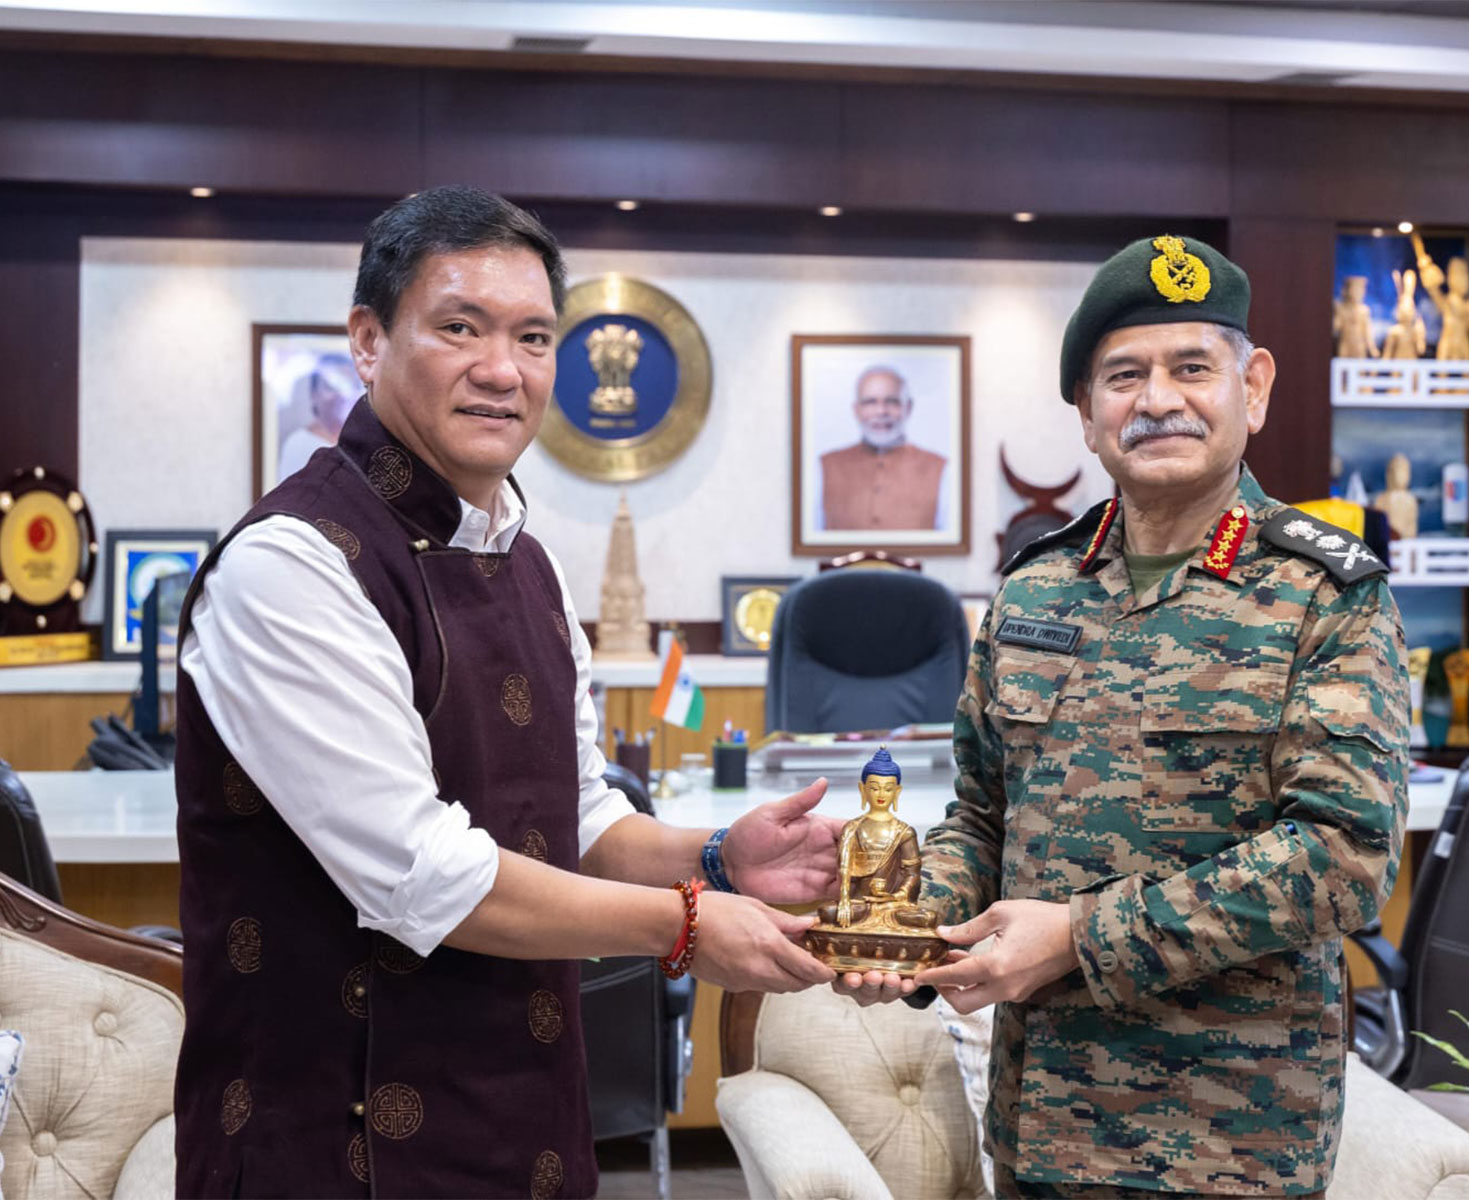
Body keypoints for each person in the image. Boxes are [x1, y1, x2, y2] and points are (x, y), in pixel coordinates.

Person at [174, 185, 839, 1199]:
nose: (502, 369)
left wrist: (714, 857)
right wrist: (686, 925)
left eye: (533, 337)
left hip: (523, 1121)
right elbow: (419, 875)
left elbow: (572, 811)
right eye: (458, 327)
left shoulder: (529, 560)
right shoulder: (293, 564)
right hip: (332, 1145)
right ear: (367, 341)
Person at [842, 234, 1409, 1198]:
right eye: (1123, 376)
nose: (1157, 401)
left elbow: (1343, 857)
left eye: (1193, 367)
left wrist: (1076, 937)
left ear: (1253, 387)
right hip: (1040, 1127)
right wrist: (906, 923)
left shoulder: (1325, 594)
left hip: (1235, 1140)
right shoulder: (1032, 594)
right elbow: (982, 817)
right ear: (1088, 412)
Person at [817, 747, 936, 931]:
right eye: (874, 788)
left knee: (926, 918)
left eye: (888, 789)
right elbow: (844, 872)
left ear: (897, 792)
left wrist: (898, 896)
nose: (881, 795)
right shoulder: (852, 828)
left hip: (892, 906)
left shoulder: (903, 831)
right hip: (859, 904)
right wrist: (845, 902)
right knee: (827, 913)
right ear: (862, 789)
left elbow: (912, 874)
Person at [819, 365, 947, 531]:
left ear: (908, 408)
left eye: (892, 402)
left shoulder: (941, 468)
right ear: (856, 410)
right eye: (870, 402)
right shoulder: (824, 466)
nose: (881, 411)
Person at [277, 352, 363, 478]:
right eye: (331, 387)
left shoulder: (363, 441)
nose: (341, 395)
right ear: (314, 394)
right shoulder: (299, 444)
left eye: (349, 386)